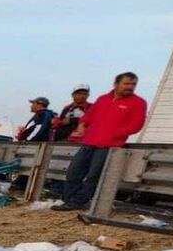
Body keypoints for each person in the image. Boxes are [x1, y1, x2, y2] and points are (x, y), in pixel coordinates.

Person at [55, 72, 148, 211]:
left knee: (94, 176)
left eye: (133, 84)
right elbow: (88, 117)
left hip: (109, 146)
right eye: (126, 83)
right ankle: (69, 200)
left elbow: (136, 125)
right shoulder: (103, 99)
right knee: (73, 172)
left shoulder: (138, 102)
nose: (130, 87)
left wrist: (114, 134)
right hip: (89, 142)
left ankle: (77, 202)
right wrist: (82, 126)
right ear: (116, 84)